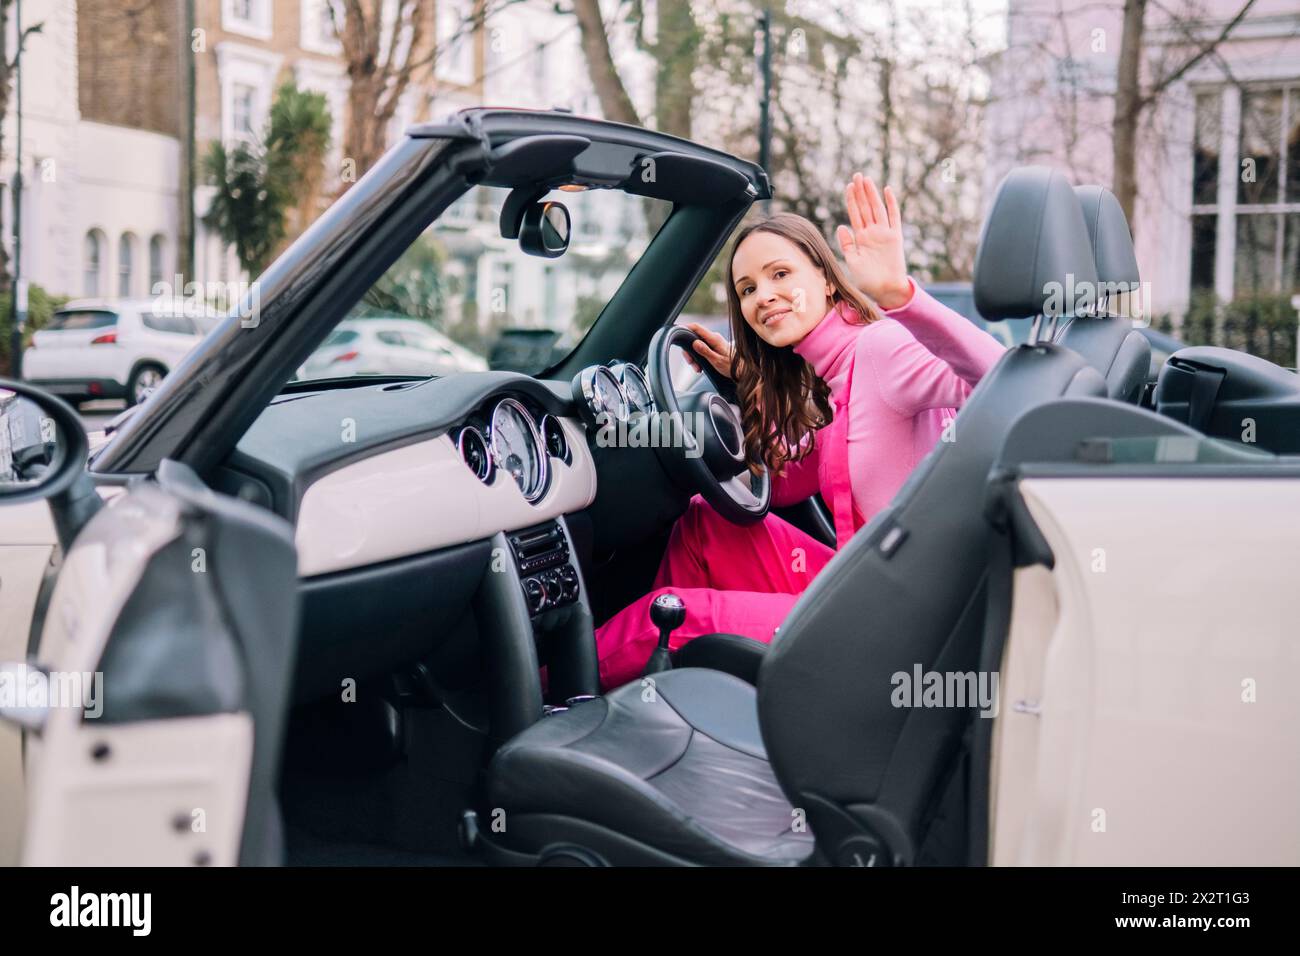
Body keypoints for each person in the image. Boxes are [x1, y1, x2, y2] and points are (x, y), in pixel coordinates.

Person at [593, 174, 1007, 689]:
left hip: (891, 618)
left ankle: (551, 698)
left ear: (827, 279)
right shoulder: (839, 375)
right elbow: (785, 483)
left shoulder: (881, 350)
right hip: (864, 583)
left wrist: (903, 296)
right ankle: (675, 689)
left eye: (780, 273)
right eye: (747, 288)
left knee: (663, 615)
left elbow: (1001, 378)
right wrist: (743, 383)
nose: (763, 296)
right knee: (706, 524)